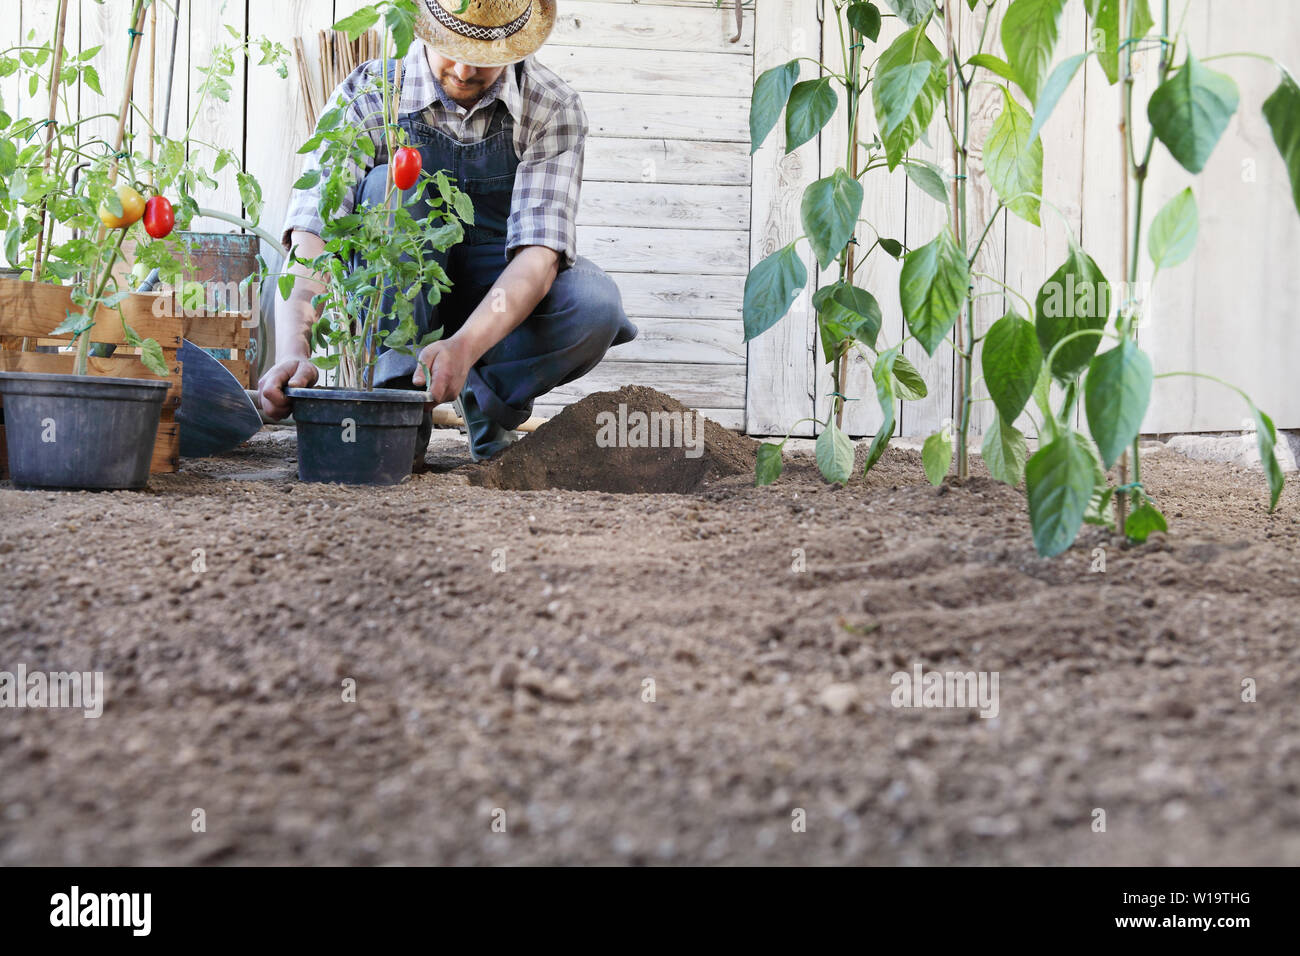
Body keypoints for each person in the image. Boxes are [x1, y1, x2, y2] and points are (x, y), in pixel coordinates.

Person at [256, 0, 637, 464]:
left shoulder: (551, 106)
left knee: (594, 305)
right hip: (403, 294)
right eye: (450, 47)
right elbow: (314, 231)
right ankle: (396, 404)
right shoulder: (372, 93)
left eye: (483, 55)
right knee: (387, 188)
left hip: (498, 297)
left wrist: (465, 345)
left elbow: (539, 255)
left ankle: (485, 396)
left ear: (512, 46)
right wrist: (294, 349)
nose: (462, 68)